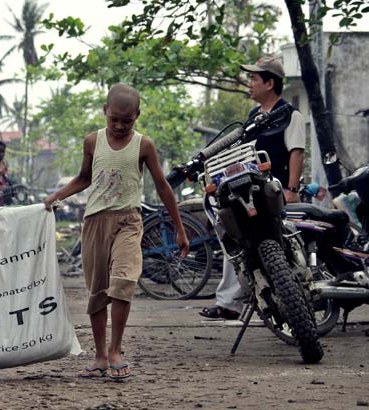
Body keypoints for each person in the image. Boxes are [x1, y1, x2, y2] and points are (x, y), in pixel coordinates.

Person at [45, 83, 190, 380]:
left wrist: (179, 228)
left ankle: (115, 350)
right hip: (96, 221)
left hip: (128, 221)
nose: (121, 126)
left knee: (124, 281)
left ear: (137, 115)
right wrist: (56, 196)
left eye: (128, 120)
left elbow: (162, 187)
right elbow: (83, 178)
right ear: (104, 112)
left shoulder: (144, 145)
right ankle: (99, 355)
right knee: (97, 292)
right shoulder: (92, 141)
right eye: (115, 120)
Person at [200, 56, 306, 320]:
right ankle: (229, 304)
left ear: (269, 83)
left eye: (254, 79)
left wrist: (291, 189)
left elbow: (296, 153)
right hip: (250, 191)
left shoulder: (290, 115)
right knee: (233, 234)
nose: (249, 84)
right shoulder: (253, 117)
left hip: (274, 190)